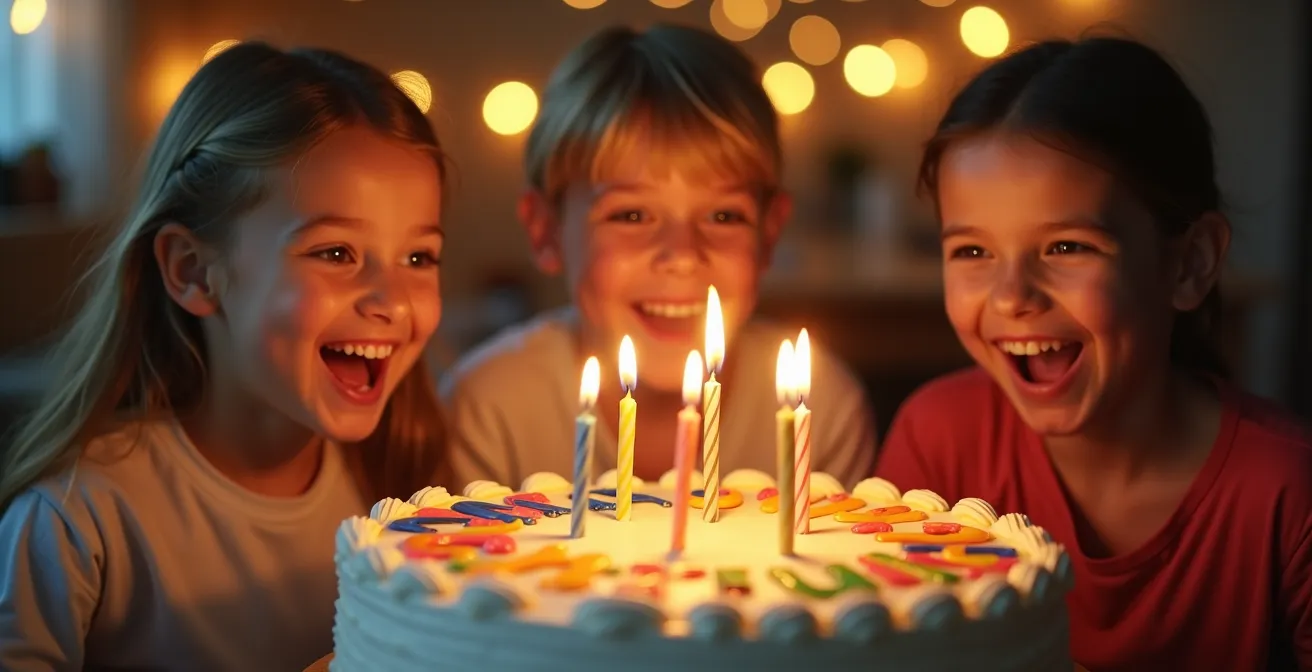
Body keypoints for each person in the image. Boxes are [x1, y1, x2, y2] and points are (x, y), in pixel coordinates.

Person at [0, 42, 449, 672]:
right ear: (194, 273)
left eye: (418, 258)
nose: (395, 303)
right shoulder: (79, 518)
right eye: (337, 253)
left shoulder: (406, 490)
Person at [876, 37, 1312, 671]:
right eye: (972, 252)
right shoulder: (938, 440)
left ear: (1189, 263)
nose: (1012, 297)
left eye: (1066, 247)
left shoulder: (1288, 492)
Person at [439, 24, 876, 492]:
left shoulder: (820, 406)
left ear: (769, 232)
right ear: (546, 228)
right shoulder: (489, 410)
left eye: (724, 215)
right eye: (631, 214)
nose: (682, 255)